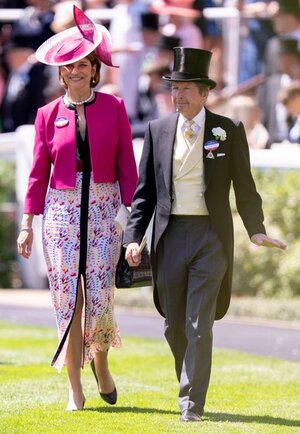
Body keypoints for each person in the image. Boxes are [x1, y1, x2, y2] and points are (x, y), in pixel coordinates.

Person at [123, 47, 287, 422]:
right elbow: (144, 192)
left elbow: (244, 188)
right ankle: (189, 380)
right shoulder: (156, 130)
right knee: (173, 325)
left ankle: (191, 405)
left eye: (186, 88)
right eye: (174, 88)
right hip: (170, 234)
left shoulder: (228, 131)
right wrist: (133, 237)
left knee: (199, 322)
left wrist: (256, 230)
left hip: (211, 238)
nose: (178, 95)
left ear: (204, 93)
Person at [16, 5, 138, 411]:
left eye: (84, 64)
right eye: (70, 66)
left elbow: (127, 166)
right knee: (68, 300)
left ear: (94, 70)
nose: (77, 71)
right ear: (62, 72)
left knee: (100, 297)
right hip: (62, 213)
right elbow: (37, 174)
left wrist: (126, 213)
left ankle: (101, 364)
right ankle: (74, 387)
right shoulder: (47, 115)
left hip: (105, 210)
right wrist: (28, 224)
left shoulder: (114, 107)